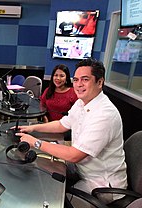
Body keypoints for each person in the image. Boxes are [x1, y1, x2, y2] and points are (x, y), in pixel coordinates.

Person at [16, 58, 127, 202]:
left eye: (85, 79)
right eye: (76, 80)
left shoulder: (105, 114)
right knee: (40, 170)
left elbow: (74, 155)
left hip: (102, 185)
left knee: (54, 199)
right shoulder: (82, 102)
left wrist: (36, 143)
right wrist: (32, 128)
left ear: (100, 82)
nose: (79, 85)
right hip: (83, 170)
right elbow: (62, 124)